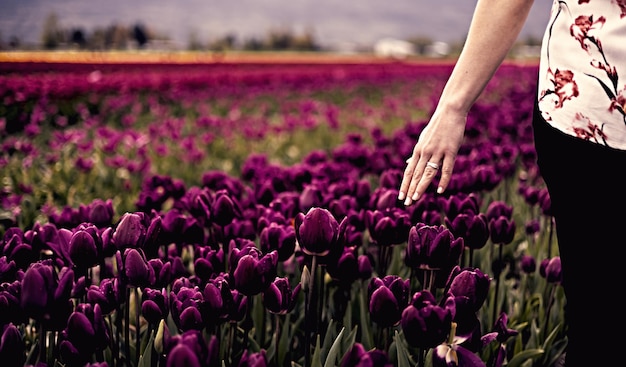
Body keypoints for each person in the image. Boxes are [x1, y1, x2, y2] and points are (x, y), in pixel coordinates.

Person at [398, 0, 626, 366]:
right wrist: (452, 107)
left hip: (588, 118)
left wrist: (454, 107)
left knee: (604, 325)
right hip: (591, 120)